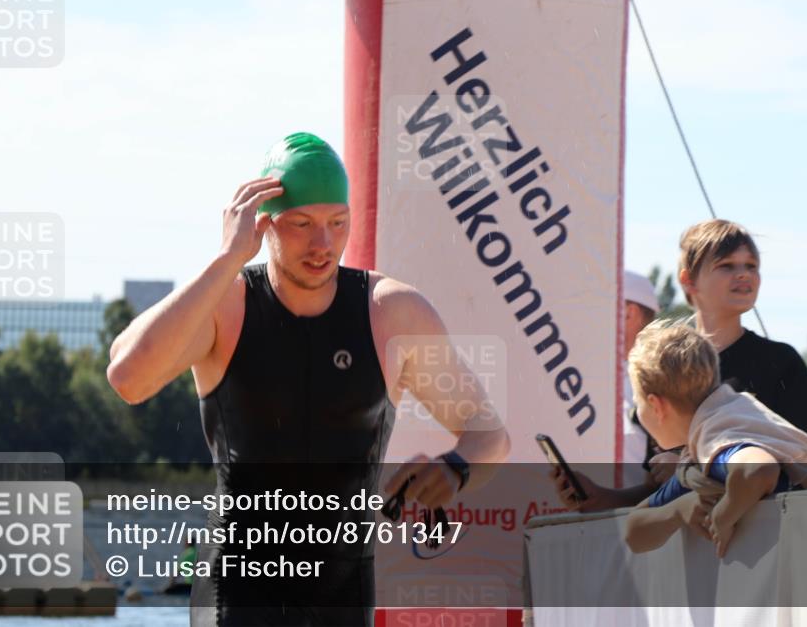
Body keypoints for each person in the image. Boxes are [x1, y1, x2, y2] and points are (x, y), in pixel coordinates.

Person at [106, 133, 510, 626]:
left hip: (341, 594)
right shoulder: (226, 307)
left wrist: (455, 466)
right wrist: (227, 259)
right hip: (236, 593)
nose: (322, 244)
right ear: (264, 224)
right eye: (301, 224)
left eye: (337, 223)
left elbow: (489, 433)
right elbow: (129, 377)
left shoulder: (391, 314)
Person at [622, 322, 807, 558]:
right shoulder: (714, 433)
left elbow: (758, 469)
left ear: (656, 406)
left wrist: (722, 517)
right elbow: (633, 532)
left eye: (637, 404)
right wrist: (678, 511)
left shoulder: (718, 433)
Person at [677, 219, 807, 452]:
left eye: (751, 266)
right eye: (727, 265)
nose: (743, 275)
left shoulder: (780, 361)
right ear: (688, 280)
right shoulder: (670, 364)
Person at [548, 270, 673, 512]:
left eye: (595, 309)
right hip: (593, 530)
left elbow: (661, 481)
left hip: (639, 533)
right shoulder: (591, 375)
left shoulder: (663, 380)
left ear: (629, 313)